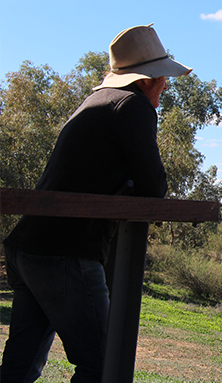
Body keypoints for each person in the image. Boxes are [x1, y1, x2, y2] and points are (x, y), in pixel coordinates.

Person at [1, 24, 191, 382]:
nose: (165, 85)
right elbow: (155, 187)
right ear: (147, 79)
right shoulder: (133, 106)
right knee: (105, 363)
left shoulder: (96, 101)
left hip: (28, 248)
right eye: (163, 77)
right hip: (65, 252)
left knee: (20, 365)